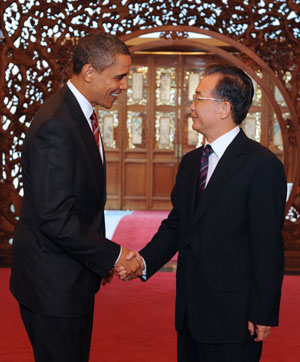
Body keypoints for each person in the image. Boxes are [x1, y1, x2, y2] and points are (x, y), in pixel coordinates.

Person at [117, 64, 287, 362]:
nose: (191, 107)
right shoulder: (192, 162)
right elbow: (177, 226)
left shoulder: (261, 165)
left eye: (198, 99)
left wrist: (264, 311)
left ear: (224, 108)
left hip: (234, 317)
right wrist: (143, 261)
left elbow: (267, 244)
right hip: (191, 312)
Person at [10, 31, 143, 362]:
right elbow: (55, 217)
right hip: (52, 285)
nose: (125, 85)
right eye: (120, 76)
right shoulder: (56, 125)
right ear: (89, 72)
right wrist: (112, 254)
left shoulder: (78, 113)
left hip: (69, 277)